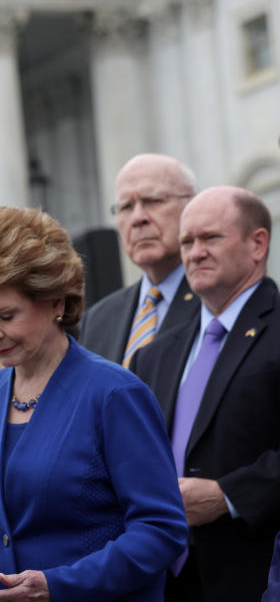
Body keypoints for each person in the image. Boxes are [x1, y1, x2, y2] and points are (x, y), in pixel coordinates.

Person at [0, 206, 187, 601]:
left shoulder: (114, 394)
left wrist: (58, 586)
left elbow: (161, 530)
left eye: (5, 315)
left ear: (57, 301)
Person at [130, 186, 280, 601]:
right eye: (186, 242)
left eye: (210, 238)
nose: (194, 253)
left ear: (257, 244)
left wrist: (228, 496)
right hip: (161, 579)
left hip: (255, 576)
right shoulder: (154, 355)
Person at [80, 154, 200, 367]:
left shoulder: (217, 300)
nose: (137, 218)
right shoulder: (98, 320)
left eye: (153, 201)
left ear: (193, 206)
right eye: (126, 207)